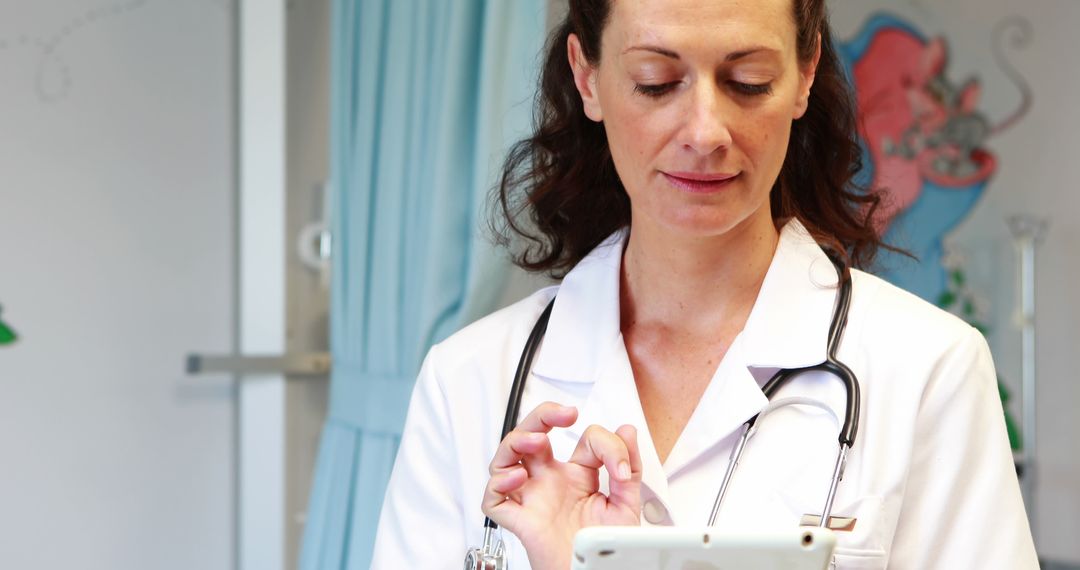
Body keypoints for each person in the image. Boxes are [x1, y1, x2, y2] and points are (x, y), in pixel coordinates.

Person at [371, 0, 1038, 568]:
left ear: (805, 73)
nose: (705, 132)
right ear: (588, 77)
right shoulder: (469, 383)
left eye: (748, 81)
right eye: (657, 82)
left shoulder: (930, 371)